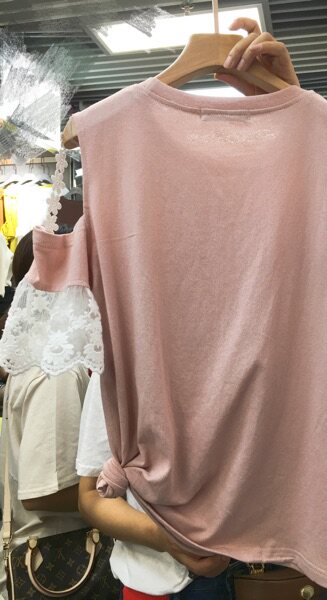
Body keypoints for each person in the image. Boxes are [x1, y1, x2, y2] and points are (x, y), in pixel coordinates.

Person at [77, 16, 300, 600]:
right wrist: (175, 540)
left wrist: (292, 102)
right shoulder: (129, 340)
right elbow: (89, 497)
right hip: (158, 579)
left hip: (272, 573)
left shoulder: (273, 328)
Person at [0, 231, 91, 600]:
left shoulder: (37, 359)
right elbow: (45, 493)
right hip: (58, 567)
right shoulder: (56, 370)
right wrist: (118, 500)